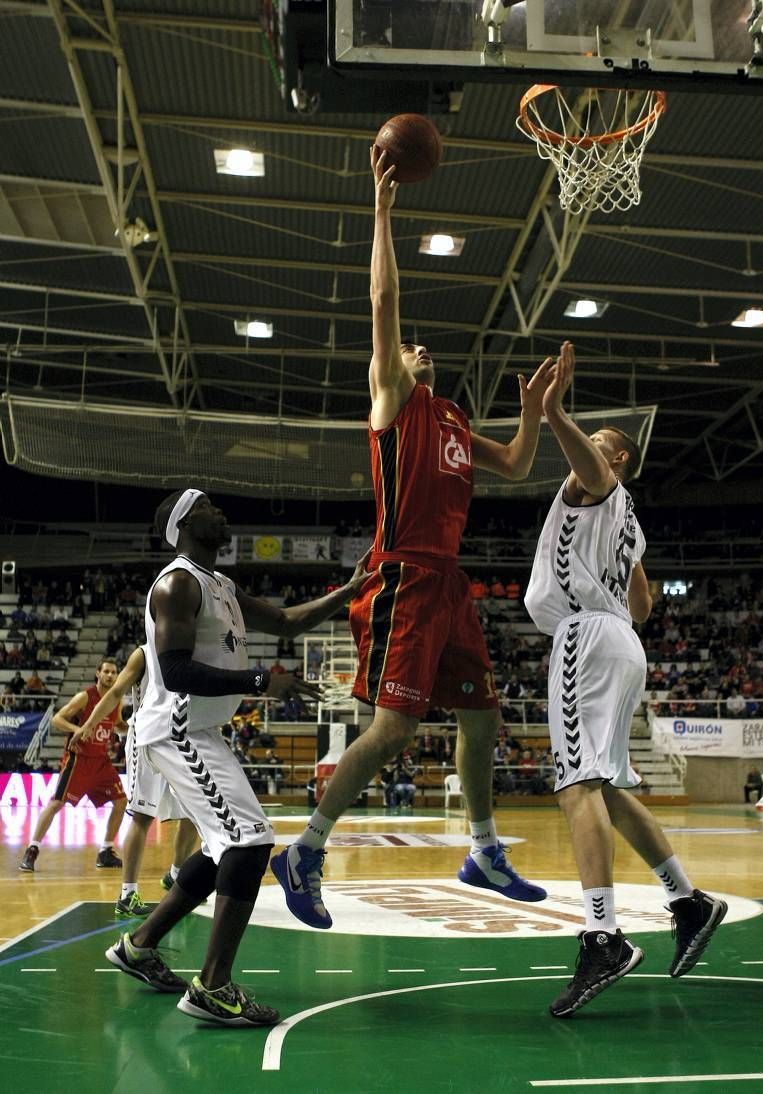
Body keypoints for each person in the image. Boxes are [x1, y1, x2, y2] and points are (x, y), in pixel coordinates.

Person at [270, 145, 551, 931]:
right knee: (393, 730)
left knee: (485, 717)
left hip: (451, 584)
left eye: (425, 348)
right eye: (409, 345)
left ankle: (484, 849)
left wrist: (533, 409)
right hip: (404, 578)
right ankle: (307, 849)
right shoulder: (394, 401)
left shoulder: (455, 415)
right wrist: (384, 212)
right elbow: (383, 301)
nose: (419, 347)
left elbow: (522, 461)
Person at [104, 488, 368, 1027]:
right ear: (182, 524)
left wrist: (353, 589)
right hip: (177, 730)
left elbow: (289, 622)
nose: (217, 511)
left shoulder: (220, 585)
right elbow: (175, 671)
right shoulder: (177, 584)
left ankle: (140, 944)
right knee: (250, 841)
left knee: (229, 843)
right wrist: (260, 681)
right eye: (204, 506)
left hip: (200, 730)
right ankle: (213, 986)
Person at [524, 342, 728, 1018]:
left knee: (577, 786)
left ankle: (603, 933)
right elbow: (643, 604)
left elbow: (589, 466)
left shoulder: (599, 483)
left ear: (615, 460)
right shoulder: (627, 521)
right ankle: (686, 900)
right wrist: (618, 568)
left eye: (596, 444)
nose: (580, 451)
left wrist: (553, 410)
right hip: (621, 636)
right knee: (603, 789)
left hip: (587, 635)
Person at [76, 645, 201, 917]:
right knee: (142, 816)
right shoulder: (143, 653)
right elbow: (116, 693)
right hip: (146, 738)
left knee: (194, 812)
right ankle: (127, 893)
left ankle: (177, 875)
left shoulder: (194, 649)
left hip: (181, 737)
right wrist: (89, 725)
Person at [19, 659, 128, 872]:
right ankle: (32, 849)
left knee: (121, 801)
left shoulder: (117, 701)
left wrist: (132, 727)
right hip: (78, 760)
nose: (110, 675)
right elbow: (57, 719)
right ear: (98, 673)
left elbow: (118, 725)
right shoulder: (85, 697)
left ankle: (105, 851)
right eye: (106, 671)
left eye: (114, 673)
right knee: (56, 804)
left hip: (101, 763)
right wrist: (76, 729)